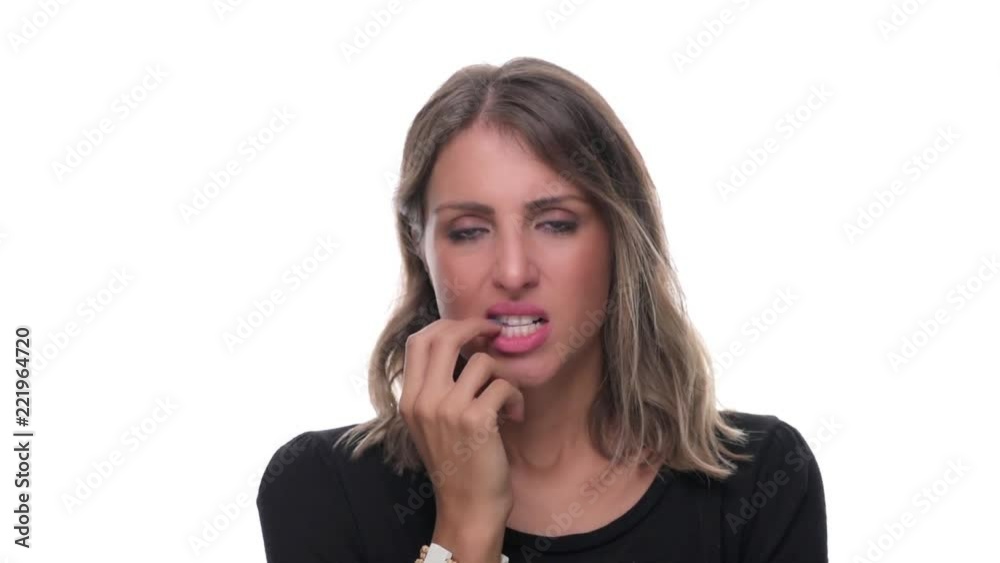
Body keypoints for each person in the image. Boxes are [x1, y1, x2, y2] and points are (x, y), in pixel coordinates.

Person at [256, 56, 828, 563]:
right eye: (469, 230)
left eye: (555, 224)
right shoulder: (319, 489)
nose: (513, 271)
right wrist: (468, 519)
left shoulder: (761, 477)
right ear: (421, 249)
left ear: (619, 238)